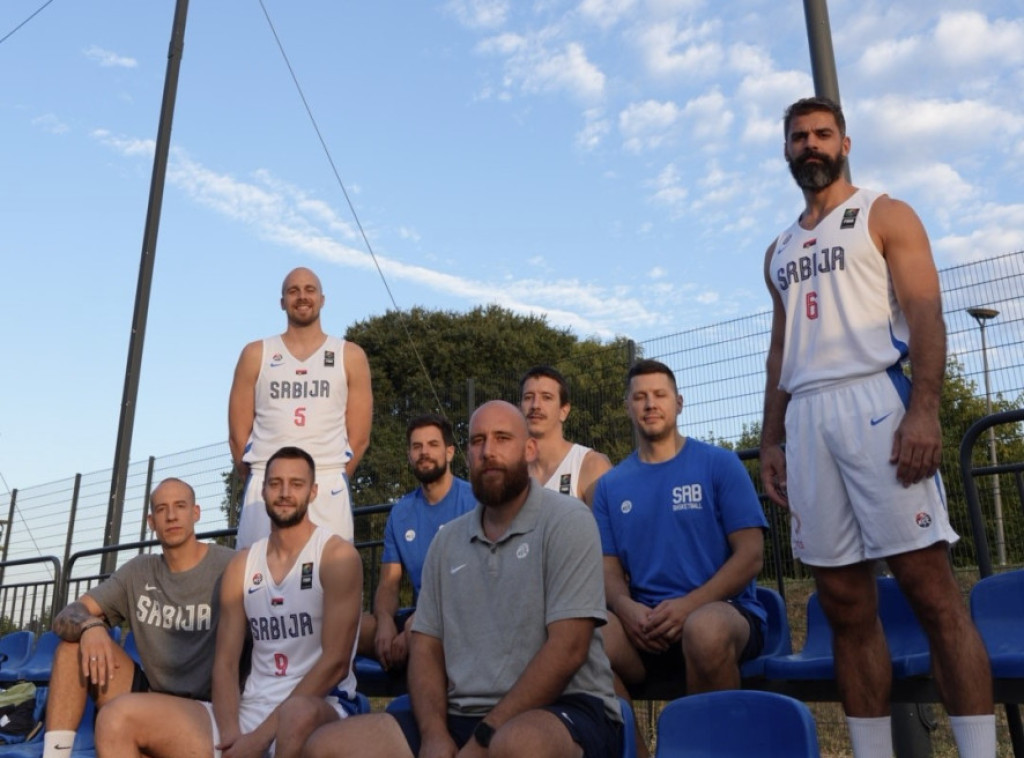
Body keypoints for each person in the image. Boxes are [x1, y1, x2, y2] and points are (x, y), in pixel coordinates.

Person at [759, 96, 995, 757]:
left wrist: (925, 410)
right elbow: (779, 351)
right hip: (807, 416)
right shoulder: (778, 250)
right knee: (842, 601)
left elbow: (925, 314)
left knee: (931, 591)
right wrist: (772, 438)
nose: (810, 144)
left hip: (876, 402)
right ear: (786, 150)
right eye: (799, 136)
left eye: (822, 134)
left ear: (845, 143)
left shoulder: (885, 214)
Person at [303, 400, 623, 758]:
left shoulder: (568, 520)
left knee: (517, 745)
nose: (488, 451)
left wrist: (484, 737)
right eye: (478, 441)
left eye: (503, 438)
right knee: (326, 748)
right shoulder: (446, 542)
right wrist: (433, 734)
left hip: (563, 708)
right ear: (468, 455)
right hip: (461, 714)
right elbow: (425, 647)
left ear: (529, 450)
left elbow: (569, 649)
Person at [95, 447, 364, 758]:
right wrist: (231, 735)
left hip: (320, 709)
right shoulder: (243, 565)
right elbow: (224, 664)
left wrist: (258, 740)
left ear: (313, 492)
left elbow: (336, 663)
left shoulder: (336, 556)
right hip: (251, 710)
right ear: (263, 491)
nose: (284, 493)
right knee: (116, 718)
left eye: (296, 484)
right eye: (275, 483)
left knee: (296, 713)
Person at [594, 360, 767, 758]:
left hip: (722, 613)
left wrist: (688, 606)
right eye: (640, 396)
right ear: (627, 407)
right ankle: (636, 752)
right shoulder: (610, 486)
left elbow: (751, 556)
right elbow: (607, 569)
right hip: (646, 628)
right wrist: (626, 608)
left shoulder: (720, 464)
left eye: (660, 395)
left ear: (679, 402)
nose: (650, 404)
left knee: (704, 631)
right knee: (586, 637)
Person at [44, 478, 233, 758]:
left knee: (117, 719)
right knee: (72, 648)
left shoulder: (229, 565)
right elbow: (67, 615)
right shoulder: (139, 571)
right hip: (153, 696)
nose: (171, 516)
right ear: (151, 521)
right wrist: (91, 626)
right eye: (162, 509)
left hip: (208, 709)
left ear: (196, 513)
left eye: (180, 506)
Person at [229, 266, 373, 548]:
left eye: (310, 290)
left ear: (322, 299)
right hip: (266, 480)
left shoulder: (350, 355)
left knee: (331, 571)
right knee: (254, 571)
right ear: (282, 301)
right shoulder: (255, 354)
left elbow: (359, 438)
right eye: (293, 291)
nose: (302, 296)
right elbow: (237, 436)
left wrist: (330, 477)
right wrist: (262, 478)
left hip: (326, 479)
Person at [358, 413, 475, 669]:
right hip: (419, 618)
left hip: (459, 617)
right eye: (417, 446)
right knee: (352, 627)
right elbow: (389, 584)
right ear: (409, 455)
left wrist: (418, 622)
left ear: (449, 452)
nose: (424, 453)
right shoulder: (401, 512)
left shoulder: (473, 502)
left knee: (422, 635)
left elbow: (471, 584)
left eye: (433, 445)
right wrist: (385, 622)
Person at [519, 365, 612, 505]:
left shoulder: (590, 465)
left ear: (564, 411)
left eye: (546, 397)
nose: (535, 405)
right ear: (520, 408)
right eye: (528, 397)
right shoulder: (510, 471)